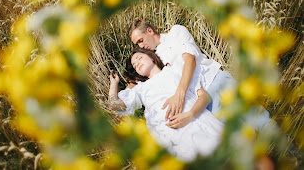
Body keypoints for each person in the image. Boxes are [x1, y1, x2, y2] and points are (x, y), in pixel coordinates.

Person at [128, 20, 272, 130]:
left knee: (261, 121)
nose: (140, 46)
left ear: (150, 30)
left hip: (215, 81)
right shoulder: (154, 60)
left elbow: (190, 60)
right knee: (243, 135)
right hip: (203, 103)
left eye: (140, 40)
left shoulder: (175, 33)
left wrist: (180, 94)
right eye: (137, 44)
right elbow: (141, 81)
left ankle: (292, 156)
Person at [108, 48, 224, 162]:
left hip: (196, 121)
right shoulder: (140, 89)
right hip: (170, 135)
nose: (137, 64)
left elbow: (204, 97)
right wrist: (114, 84)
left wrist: (190, 115)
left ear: (152, 58)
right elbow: (114, 105)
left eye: (139, 58)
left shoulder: (175, 70)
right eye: (134, 65)